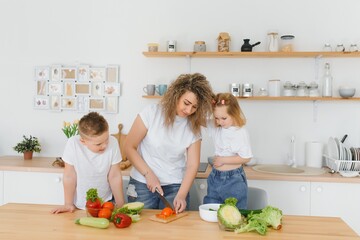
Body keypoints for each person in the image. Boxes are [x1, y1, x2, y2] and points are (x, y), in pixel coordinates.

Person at [124, 73, 214, 213]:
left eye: (195, 107)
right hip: (142, 183)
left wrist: (182, 195)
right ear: (176, 95)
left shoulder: (194, 127)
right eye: (186, 103)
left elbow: (192, 165)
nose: (189, 110)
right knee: (140, 232)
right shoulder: (151, 113)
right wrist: (148, 174)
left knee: (174, 232)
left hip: (175, 186)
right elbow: (129, 147)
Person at [52, 112, 125, 214]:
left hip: (106, 203)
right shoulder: (73, 144)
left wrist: (121, 205)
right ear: (83, 141)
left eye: (106, 139)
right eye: (98, 144)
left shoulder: (113, 143)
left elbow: (115, 176)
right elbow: (69, 176)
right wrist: (68, 204)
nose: (104, 145)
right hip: (78, 205)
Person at [203, 93, 253, 209]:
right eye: (216, 118)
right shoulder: (217, 127)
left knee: (235, 215)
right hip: (215, 177)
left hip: (233, 180)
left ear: (234, 114)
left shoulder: (240, 132)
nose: (220, 122)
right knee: (211, 211)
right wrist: (208, 103)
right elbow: (198, 119)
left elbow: (246, 157)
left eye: (224, 118)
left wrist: (223, 160)